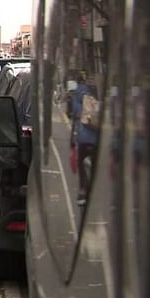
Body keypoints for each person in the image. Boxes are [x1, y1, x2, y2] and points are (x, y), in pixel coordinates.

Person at [69, 75, 98, 206]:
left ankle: (82, 192)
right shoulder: (95, 94)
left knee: (81, 164)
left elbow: (75, 115)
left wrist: (72, 141)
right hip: (96, 137)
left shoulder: (77, 95)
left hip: (83, 137)